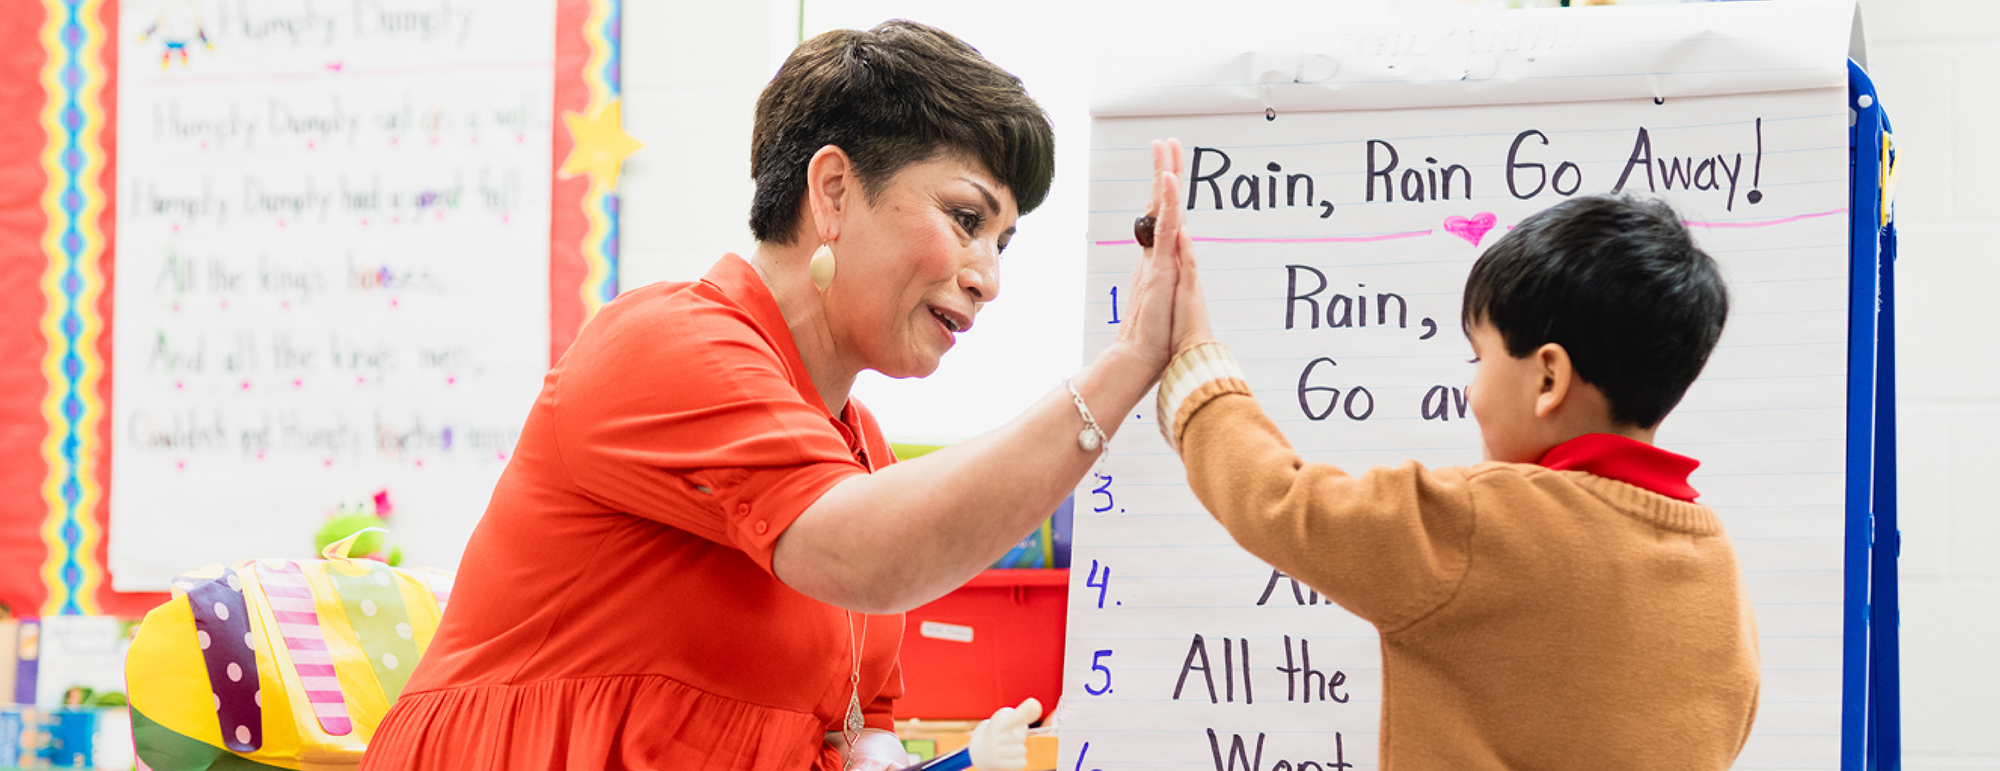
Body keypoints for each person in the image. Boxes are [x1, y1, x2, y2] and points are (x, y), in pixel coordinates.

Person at [360, 22, 1182, 771]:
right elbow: (871, 553)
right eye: (965, 218)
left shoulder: (860, 447)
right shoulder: (668, 342)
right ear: (832, 191)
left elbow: (855, 735)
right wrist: (1124, 366)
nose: (988, 276)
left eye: (1003, 241)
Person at [1146, 147, 1761, 769]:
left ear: (1548, 378)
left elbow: (1278, 501)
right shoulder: (1717, 566)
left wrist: (1196, 359)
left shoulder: (1483, 524)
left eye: (1480, 359)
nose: (1470, 391)